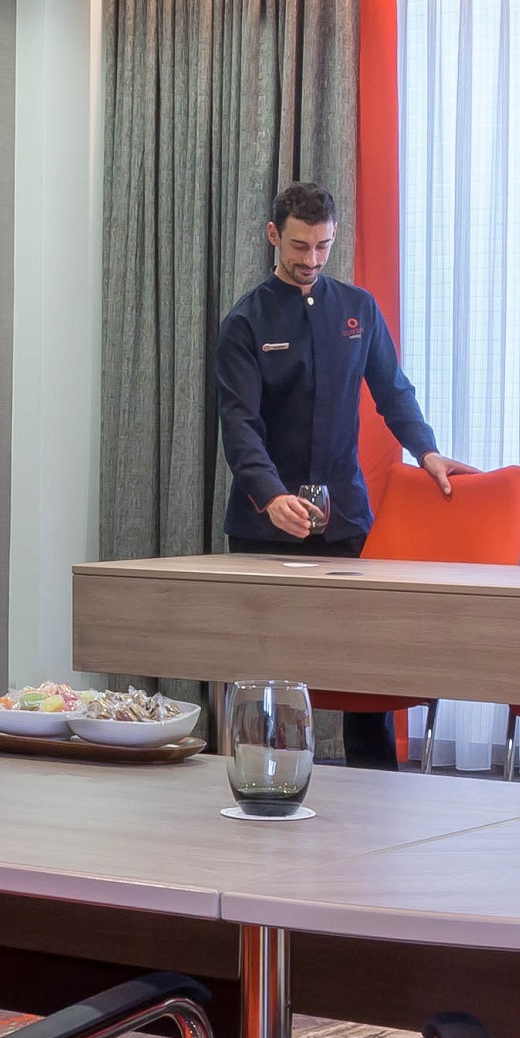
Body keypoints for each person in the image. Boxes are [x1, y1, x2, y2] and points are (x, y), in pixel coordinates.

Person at [213, 182, 457, 767]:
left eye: (322, 247)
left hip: (345, 520)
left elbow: (393, 392)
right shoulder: (246, 322)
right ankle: (256, 783)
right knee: (264, 671)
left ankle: (377, 791)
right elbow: (239, 425)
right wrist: (270, 497)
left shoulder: (358, 309)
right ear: (274, 236)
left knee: (361, 664)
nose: (310, 261)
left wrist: (426, 451)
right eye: (299, 246)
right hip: (263, 529)